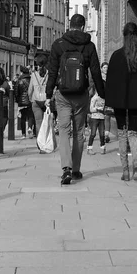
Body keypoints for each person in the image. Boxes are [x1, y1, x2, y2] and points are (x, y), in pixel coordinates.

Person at [45, 13, 106, 185]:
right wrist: (102, 93)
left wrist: (48, 94)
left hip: (63, 95)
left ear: (69, 25)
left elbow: (52, 72)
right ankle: (77, 169)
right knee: (79, 132)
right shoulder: (89, 46)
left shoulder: (59, 44)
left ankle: (66, 168)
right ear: (83, 26)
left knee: (64, 130)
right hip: (81, 95)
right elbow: (95, 72)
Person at [105, 22, 137, 181]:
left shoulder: (116, 55)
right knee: (133, 132)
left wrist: (108, 100)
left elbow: (110, 80)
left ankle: (125, 170)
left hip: (120, 99)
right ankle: (136, 165)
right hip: (136, 98)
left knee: (122, 134)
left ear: (124, 36)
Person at [28, 54, 49, 139]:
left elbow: (30, 90)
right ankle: (46, 140)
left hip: (36, 100)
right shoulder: (49, 74)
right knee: (47, 122)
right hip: (46, 100)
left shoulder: (34, 75)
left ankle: (40, 143)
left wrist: (30, 98)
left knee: (38, 122)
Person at [15, 66, 34, 139]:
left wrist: (17, 100)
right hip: (30, 100)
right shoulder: (31, 79)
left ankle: (23, 134)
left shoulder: (19, 80)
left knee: (22, 117)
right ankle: (29, 128)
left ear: (22, 72)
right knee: (30, 116)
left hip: (22, 101)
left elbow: (16, 91)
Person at [87, 90, 106, 155]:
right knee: (93, 134)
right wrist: (97, 109)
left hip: (102, 118)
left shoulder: (104, 97)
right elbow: (91, 109)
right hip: (94, 118)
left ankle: (103, 148)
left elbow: (105, 108)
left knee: (102, 134)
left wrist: (105, 110)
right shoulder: (94, 98)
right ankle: (89, 148)